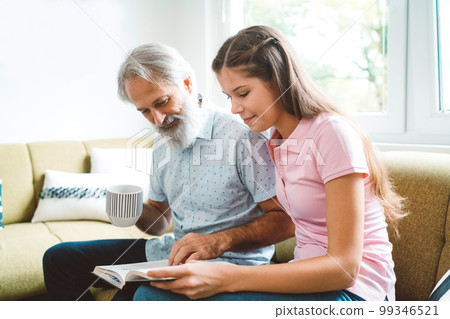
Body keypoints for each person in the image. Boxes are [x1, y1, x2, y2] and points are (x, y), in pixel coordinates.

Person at [137, 25, 407, 301]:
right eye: (229, 97)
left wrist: (227, 278)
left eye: (243, 93)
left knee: (155, 299)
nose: (234, 108)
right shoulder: (276, 141)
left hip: (353, 293)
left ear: (279, 80)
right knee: (153, 293)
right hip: (306, 281)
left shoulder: (331, 133)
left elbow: (344, 268)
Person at [42, 42, 294, 301]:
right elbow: (161, 222)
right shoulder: (163, 142)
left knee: (136, 298)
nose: (158, 119)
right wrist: (133, 210)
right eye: (145, 112)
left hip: (229, 263)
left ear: (187, 84)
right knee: (59, 258)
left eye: (162, 102)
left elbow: (286, 220)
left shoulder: (242, 137)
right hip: (172, 253)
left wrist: (218, 241)